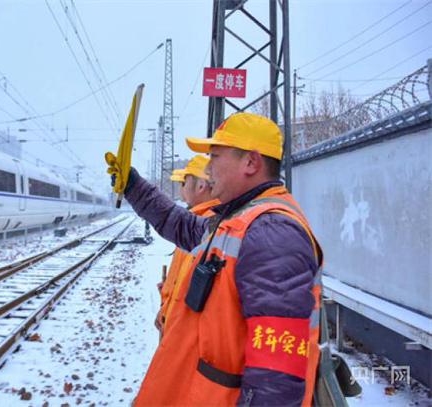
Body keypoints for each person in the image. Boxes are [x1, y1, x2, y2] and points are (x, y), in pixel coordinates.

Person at [110, 112, 323, 406]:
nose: (208, 170)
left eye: (215, 157)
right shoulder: (238, 220)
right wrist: (133, 186)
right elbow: (180, 224)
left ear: (251, 162)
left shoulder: (273, 234)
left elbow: (277, 371)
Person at [157, 156, 220, 337]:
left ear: (201, 186)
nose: (180, 189)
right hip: (173, 324)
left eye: (184, 182)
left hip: (181, 333)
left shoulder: (207, 228)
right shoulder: (199, 222)